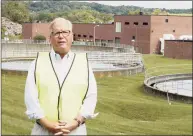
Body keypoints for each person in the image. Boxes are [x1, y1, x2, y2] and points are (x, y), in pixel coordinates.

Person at [24, 17, 98, 135]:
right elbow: (30, 98)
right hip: (43, 131)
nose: (61, 36)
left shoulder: (84, 63)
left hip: (76, 131)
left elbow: (91, 96)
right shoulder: (37, 63)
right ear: (50, 38)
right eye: (57, 32)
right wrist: (47, 124)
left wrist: (75, 122)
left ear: (72, 36)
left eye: (65, 32)